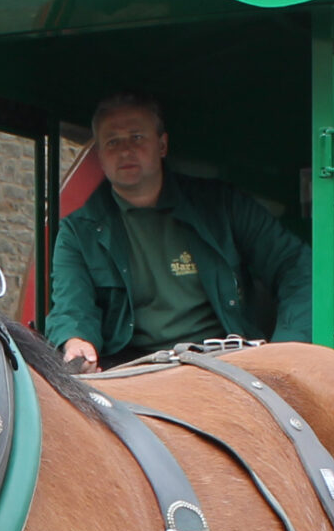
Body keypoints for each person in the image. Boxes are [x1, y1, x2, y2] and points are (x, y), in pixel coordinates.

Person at [45, 93, 312, 370]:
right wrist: (76, 342)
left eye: (137, 137)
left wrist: (285, 349)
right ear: (100, 157)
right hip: (131, 372)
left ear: (162, 145)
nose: (125, 150)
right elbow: (70, 306)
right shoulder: (77, 232)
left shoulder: (222, 206)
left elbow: (296, 266)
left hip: (225, 365)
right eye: (113, 141)